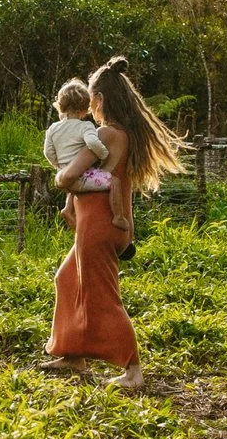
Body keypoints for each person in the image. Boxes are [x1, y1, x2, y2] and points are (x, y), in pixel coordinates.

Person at [43, 55, 183, 391]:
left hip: (99, 224)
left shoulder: (106, 134)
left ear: (100, 100)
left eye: (91, 98)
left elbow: (72, 174)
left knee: (103, 294)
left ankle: (133, 370)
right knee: (66, 279)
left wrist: (61, 177)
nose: (88, 106)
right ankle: (73, 353)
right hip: (104, 222)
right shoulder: (119, 133)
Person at [42, 79, 112, 227]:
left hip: (64, 176)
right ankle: (117, 217)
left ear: (61, 105)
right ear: (84, 108)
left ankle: (68, 209)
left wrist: (59, 164)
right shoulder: (85, 126)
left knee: (73, 184)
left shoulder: (53, 128)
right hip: (82, 177)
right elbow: (93, 143)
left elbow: (48, 152)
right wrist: (104, 155)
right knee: (116, 183)